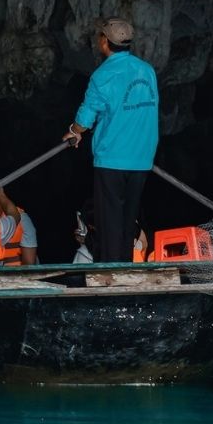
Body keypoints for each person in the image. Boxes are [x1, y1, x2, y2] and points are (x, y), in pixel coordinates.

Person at [63, 17, 159, 263]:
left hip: (113, 158)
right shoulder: (147, 71)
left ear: (104, 42)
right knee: (129, 217)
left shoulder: (103, 75)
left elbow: (86, 115)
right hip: (142, 157)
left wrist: (75, 131)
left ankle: (111, 269)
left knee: (110, 220)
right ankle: (126, 263)